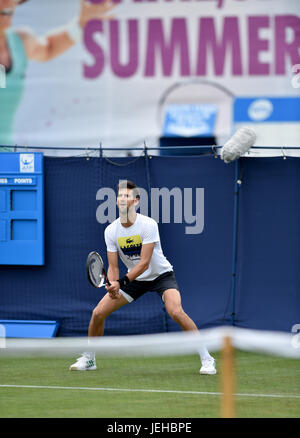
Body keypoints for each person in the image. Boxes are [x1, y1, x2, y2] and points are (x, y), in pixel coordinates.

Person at [70, 180, 217, 375]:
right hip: (135, 281)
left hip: (160, 275)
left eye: (127, 196)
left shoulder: (148, 224)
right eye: (120, 196)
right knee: (98, 313)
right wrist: (113, 284)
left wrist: (121, 282)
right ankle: (89, 359)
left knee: (176, 311)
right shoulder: (111, 231)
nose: (123, 199)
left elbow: (144, 263)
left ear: (136, 201)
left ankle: (207, 358)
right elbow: (113, 266)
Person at [0, 0, 115, 149]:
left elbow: (49, 48)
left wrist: (80, 25)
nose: (8, 3)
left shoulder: (19, 42)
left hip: (7, 158)